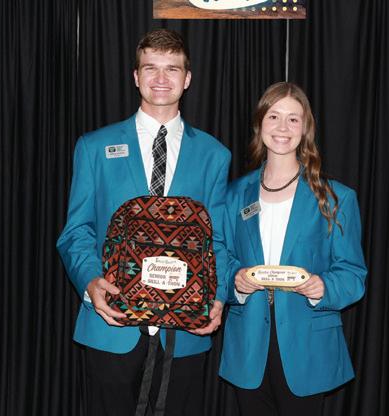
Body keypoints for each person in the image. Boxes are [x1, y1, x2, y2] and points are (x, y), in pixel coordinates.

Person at [57, 28, 231, 416]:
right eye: (151, 68)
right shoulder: (94, 147)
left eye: (172, 69)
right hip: (112, 325)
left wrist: (218, 298)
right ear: (136, 76)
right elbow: (77, 231)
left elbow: (218, 240)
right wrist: (90, 282)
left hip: (185, 332)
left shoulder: (214, 155)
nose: (161, 78)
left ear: (187, 78)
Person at [219, 82, 367, 415]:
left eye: (293, 119)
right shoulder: (233, 195)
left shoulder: (336, 198)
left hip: (308, 347)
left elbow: (353, 274)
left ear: (305, 129)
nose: (282, 128)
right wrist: (235, 282)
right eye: (274, 116)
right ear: (260, 124)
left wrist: (323, 287)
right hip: (248, 347)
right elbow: (219, 259)